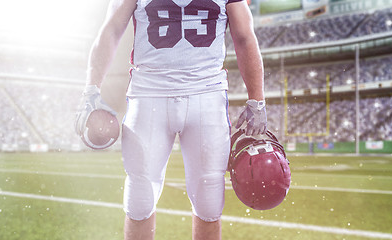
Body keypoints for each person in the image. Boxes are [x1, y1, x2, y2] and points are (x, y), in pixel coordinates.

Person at [76, 0, 267, 239]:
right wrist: (91, 88)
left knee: (209, 201)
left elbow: (245, 37)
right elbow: (112, 28)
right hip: (149, 94)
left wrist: (257, 99)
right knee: (140, 199)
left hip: (206, 95)